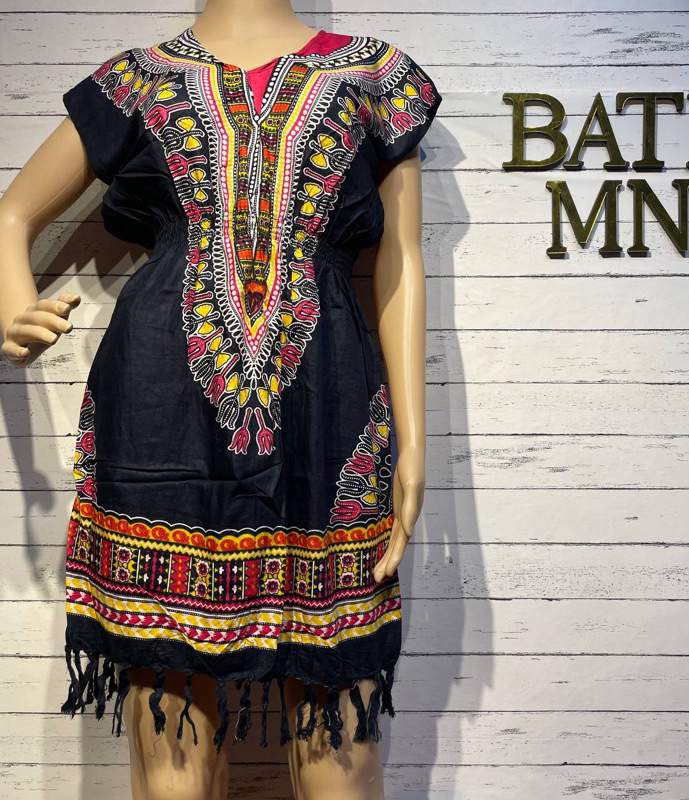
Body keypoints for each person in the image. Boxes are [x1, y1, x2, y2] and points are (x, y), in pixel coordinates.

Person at [0, 2, 442, 798]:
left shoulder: (376, 77)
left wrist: (414, 443)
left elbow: (400, 261)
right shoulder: (138, 79)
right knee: (174, 754)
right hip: (158, 412)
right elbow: (10, 214)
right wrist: (11, 303)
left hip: (330, 412)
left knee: (340, 755)